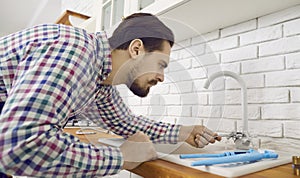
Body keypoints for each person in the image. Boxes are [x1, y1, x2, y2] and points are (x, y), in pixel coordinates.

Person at [0, 13, 221, 177]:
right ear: (136, 49)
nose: (161, 76)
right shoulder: (75, 49)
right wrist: (122, 157)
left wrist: (182, 132)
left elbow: (125, 123)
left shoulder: (100, 80)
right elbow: (18, 145)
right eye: (161, 64)